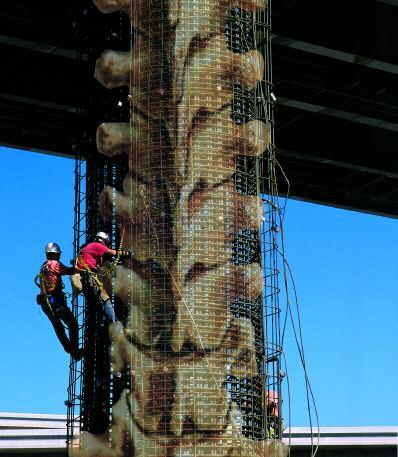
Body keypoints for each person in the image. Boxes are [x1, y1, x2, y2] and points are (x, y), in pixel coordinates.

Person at [35, 242, 83, 360]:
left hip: (45, 303)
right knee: (72, 324)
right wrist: (80, 268)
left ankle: (70, 350)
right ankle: (74, 350)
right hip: (55, 301)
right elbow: (69, 271)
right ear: (55, 255)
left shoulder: (44, 265)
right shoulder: (55, 264)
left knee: (58, 327)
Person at [76, 231, 131, 325]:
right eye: (106, 244)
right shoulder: (96, 246)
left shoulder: (87, 248)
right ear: (103, 241)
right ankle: (115, 326)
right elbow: (113, 253)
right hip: (90, 279)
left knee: (98, 305)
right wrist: (126, 253)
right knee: (105, 300)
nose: (106, 246)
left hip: (85, 282)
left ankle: (105, 325)